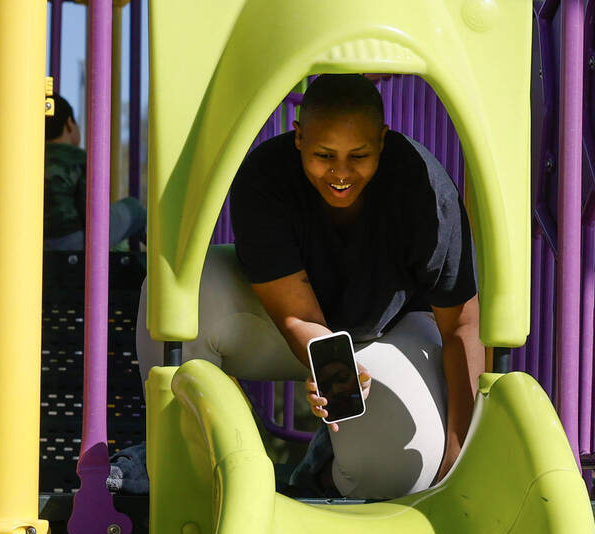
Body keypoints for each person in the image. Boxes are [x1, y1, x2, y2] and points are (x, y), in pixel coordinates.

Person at [136, 73, 483, 499]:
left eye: (359, 155)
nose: (340, 173)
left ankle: (323, 468)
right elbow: (298, 315)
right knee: (173, 291)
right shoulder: (265, 178)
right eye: (324, 154)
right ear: (298, 137)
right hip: (281, 324)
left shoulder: (426, 193)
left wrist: (457, 456)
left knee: (403, 470)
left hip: (387, 329)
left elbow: (460, 329)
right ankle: (191, 455)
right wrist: (334, 368)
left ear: (383, 139)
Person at [44, 94, 146, 252]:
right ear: (69, 124)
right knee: (135, 209)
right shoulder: (77, 158)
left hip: (38, 244)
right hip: (72, 240)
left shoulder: (30, 160)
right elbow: (92, 213)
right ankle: (167, 266)